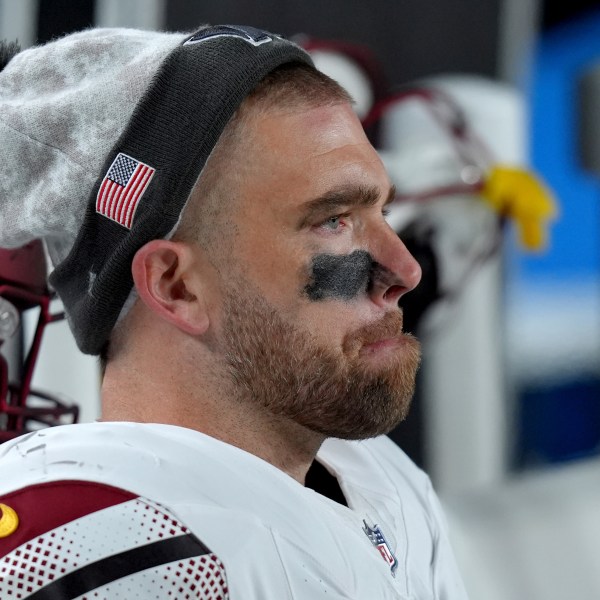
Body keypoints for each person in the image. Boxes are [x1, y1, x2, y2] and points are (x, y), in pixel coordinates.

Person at [0, 24, 468, 599]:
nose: (407, 270)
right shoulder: (104, 545)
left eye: (382, 212)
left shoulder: (380, 478)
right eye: (334, 221)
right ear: (176, 286)